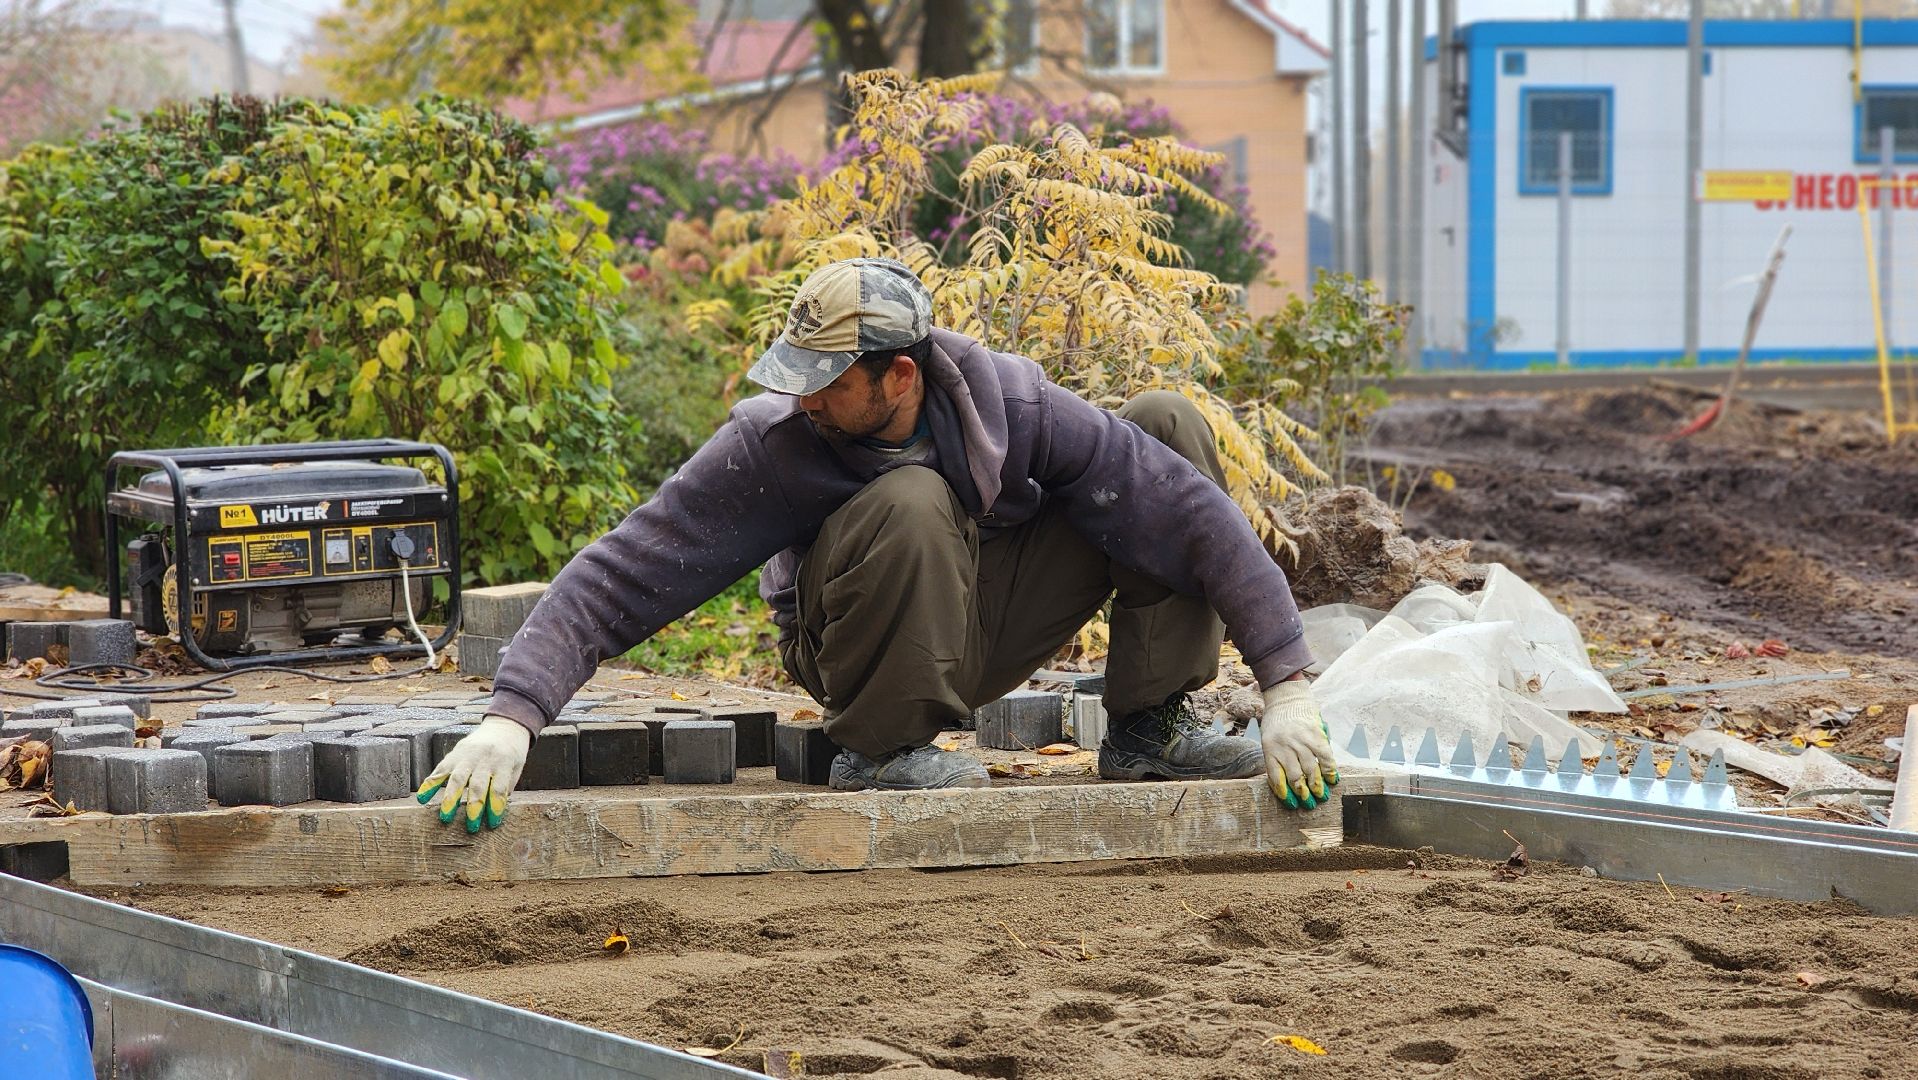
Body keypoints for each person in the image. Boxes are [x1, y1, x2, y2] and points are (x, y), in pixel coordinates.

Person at [417, 257, 1337, 832]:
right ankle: (885, 750)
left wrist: (1286, 685)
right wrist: (512, 716)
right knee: (910, 500)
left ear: (901, 373)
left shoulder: (1009, 406)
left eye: (826, 382)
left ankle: (1150, 730)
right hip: (856, 646)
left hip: (976, 616)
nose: (805, 399)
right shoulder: (773, 443)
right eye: (797, 379)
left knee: (1165, 431)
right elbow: (622, 570)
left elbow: (1186, 509)